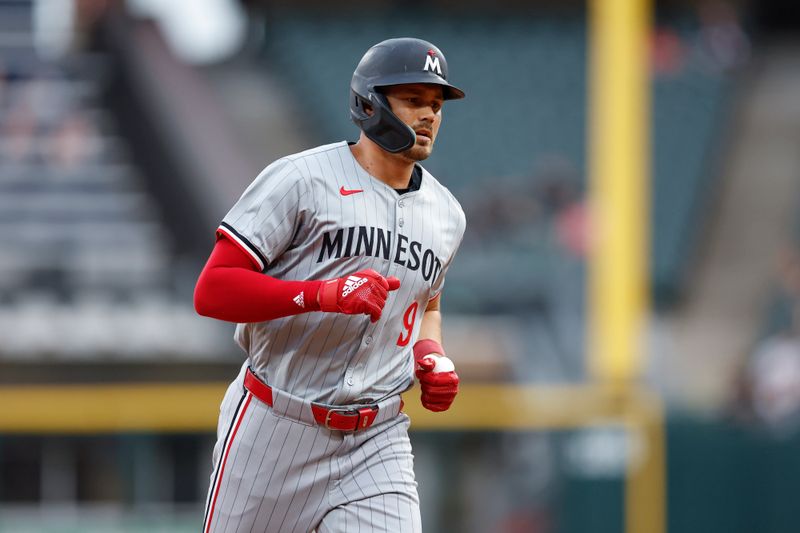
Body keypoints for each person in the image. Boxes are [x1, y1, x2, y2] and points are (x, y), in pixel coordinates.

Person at [193, 37, 467, 533]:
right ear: (370, 102)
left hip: (377, 436)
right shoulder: (300, 179)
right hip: (277, 425)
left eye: (436, 104)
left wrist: (431, 353)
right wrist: (321, 294)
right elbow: (213, 289)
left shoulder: (447, 213)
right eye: (413, 100)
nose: (429, 115)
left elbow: (428, 303)